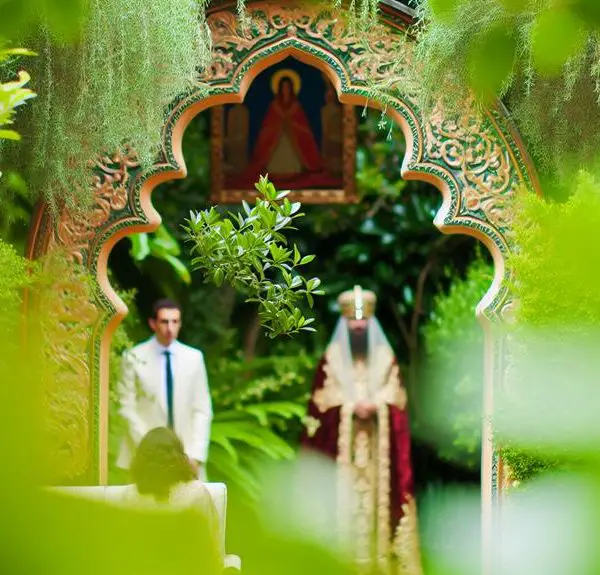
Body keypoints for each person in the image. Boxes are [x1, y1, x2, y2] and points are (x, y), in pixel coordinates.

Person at [301, 286, 422, 575]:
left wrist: (377, 405)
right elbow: (320, 405)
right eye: (353, 322)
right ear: (344, 323)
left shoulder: (384, 359)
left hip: (378, 460)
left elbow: (397, 399)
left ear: (370, 323)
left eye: (362, 321)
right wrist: (350, 407)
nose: (357, 326)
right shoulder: (331, 359)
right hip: (342, 460)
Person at [117, 299, 212, 481]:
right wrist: (150, 449)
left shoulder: (194, 358)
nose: (170, 328)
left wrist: (196, 455)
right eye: (164, 321)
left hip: (187, 456)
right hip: (143, 454)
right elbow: (126, 407)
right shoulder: (133, 357)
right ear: (153, 323)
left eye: (175, 322)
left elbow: (202, 409)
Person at [245, 69, 322, 179]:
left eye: (288, 87)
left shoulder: (296, 106)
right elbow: (267, 126)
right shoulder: (274, 105)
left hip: (292, 139)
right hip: (277, 139)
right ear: (279, 89)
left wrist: (292, 125)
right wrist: (278, 127)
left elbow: (304, 127)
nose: (285, 90)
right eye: (283, 87)